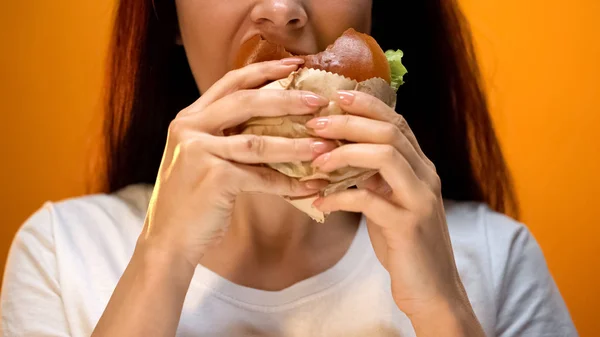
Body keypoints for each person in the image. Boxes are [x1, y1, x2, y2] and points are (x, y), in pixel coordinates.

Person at [0, 1, 577, 336]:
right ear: (171, 19)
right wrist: (163, 259)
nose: (282, 10)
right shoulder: (62, 252)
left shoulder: (495, 257)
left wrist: (442, 310)